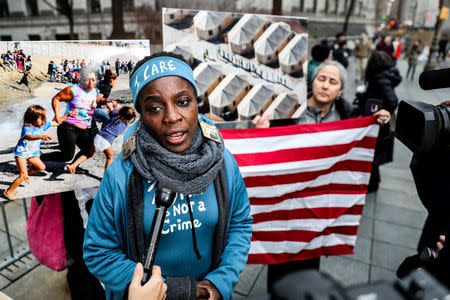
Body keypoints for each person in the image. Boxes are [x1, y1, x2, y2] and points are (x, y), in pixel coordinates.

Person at [83, 52, 253, 300]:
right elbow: (99, 252)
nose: (172, 116)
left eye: (183, 102)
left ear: (197, 103)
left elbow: (240, 224)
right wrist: (173, 292)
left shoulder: (222, 161)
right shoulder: (122, 173)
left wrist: (219, 284)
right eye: (155, 108)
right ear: (141, 114)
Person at [252, 61, 391, 291]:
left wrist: (381, 126)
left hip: (319, 202)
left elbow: (370, 149)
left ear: (341, 90)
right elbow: (269, 148)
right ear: (312, 82)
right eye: (321, 79)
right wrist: (262, 132)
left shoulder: (350, 117)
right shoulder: (288, 108)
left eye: (332, 82)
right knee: (280, 250)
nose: (325, 86)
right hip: (286, 198)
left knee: (309, 252)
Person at [3, 105, 74, 200]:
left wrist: (68, 115)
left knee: (41, 167)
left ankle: (26, 174)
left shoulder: (42, 126)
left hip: (32, 154)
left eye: (44, 118)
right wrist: (41, 136)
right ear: (32, 119)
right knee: (23, 175)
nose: (44, 120)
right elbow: (29, 137)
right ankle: (8, 192)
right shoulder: (27, 127)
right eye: (41, 118)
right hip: (21, 154)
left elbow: (57, 122)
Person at [40, 66, 103, 165]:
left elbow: (93, 102)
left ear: (96, 82)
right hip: (68, 127)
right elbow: (56, 99)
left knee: (89, 151)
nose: (90, 82)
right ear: (82, 80)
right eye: (87, 80)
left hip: (85, 128)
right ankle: (40, 158)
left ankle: (73, 166)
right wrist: (57, 115)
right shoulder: (74, 90)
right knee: (67, 156)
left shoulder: (95, 91)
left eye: (93, 80)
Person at [363, 50, 401, 191]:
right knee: (374, 155)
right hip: (379, 122)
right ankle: (373, 182)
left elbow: (392, 101)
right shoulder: (384, 76)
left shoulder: (380, 79)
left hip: (380, 124)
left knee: (373, 154)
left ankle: (372, 185)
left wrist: (382, 111)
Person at [66, 102, 136, 173]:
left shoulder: (115, 115)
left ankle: (72, 166)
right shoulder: (124, 125)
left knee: (88, 154)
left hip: (98, 136)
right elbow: (124, 114)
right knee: (109, 157)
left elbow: (109, 105)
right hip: (107, 141)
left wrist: (116, 104)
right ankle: (105, 178)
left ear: (121, 111)